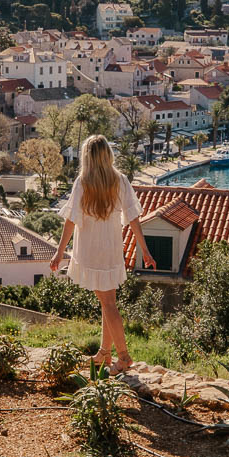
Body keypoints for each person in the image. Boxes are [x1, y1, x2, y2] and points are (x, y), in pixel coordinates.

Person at [50, 134, 155, 373]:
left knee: (108, 303)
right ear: (108, 155)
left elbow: (70, 221)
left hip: (90, 250)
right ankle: (104, 353)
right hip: (111, 250)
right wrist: (144, 250)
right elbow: (133, 217)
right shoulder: (120, 180)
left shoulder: (83, 181)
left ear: (87, 157)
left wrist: (59, 253)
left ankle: (124, 357)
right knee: (109, 302)